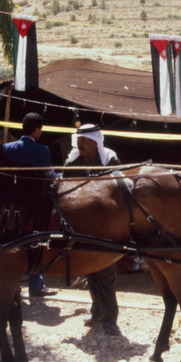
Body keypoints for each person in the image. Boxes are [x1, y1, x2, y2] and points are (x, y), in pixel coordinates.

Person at [63, 123, 122, 336]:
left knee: (106, 270)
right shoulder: (73, 162)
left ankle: (111, 319)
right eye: (78, 140)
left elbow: (120, 190)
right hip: (82, 224)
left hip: (105, 224)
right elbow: (63, 188)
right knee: (90, 270)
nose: (80, 144)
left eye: (84, 141)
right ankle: (96, 311)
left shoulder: (109, 160)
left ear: (95, 142)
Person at [2, 112, 56, 298]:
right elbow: (49, 176)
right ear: (36, 130)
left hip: (9, 204)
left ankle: (12, 281)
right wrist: (60, 175)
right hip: (34, 206)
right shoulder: (42, 150)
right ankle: (36, 284)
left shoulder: (7, 148)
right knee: (36, 242)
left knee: (11, 241)